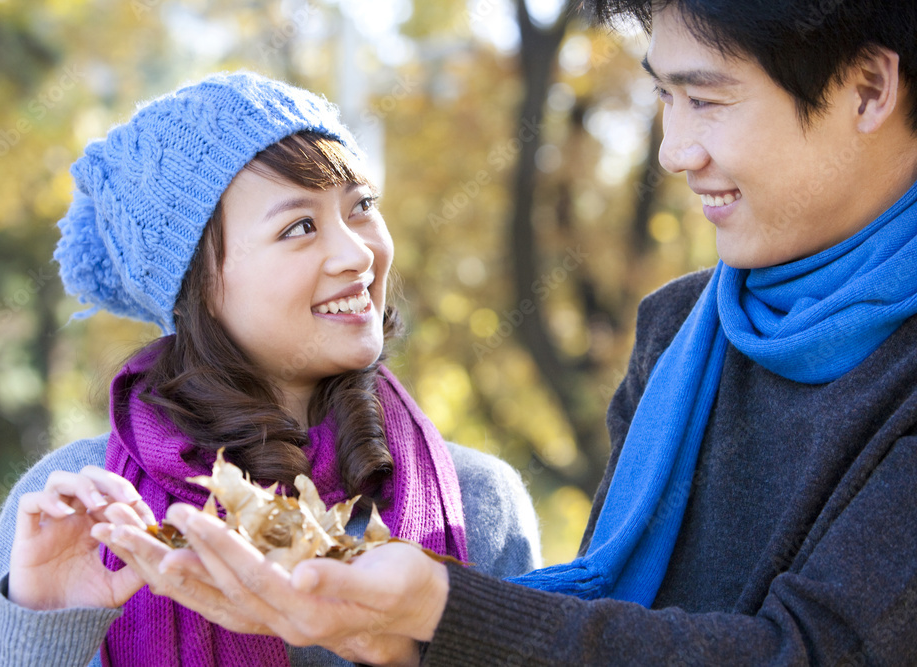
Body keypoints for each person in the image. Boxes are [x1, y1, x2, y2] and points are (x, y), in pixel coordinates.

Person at [95, 0, 917, 664]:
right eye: (664, 97)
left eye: (705, 99)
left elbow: (815, 651)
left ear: (870, 91)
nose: (673, 149)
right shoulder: (679, 333)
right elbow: (611, 627)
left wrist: (440, 611)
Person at [0, 71, 542, 667]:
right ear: (198, 287)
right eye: (299, 227)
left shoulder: (476, 501)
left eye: (361, 207)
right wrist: (42, 636)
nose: (358, 253)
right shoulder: (84, 511)